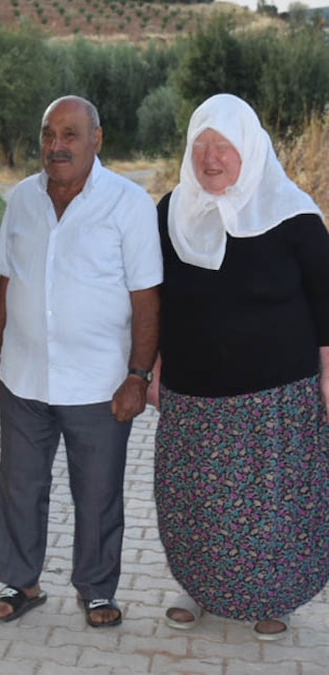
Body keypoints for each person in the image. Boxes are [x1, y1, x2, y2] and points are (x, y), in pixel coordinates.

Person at [0, 96, 161, 627]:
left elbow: (146, 296)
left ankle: (97, 590)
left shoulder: (128, 203)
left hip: (100, 382)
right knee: (19, 484)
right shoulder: (22, 199)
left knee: (98, 491)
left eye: (70, 134)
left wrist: (137, 375)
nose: (57, 145)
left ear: (96, 139)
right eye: (48, 134)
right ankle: (21, 582)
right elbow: (8, 282)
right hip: (25, 375)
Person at [151, 93, 329, 641]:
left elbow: (327, 306)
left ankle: (275, 600)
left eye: (224, 146)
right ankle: (197, 590)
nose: (211, 158)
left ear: (249, 149)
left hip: (275, 401)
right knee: (195, 505)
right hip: (192, 395)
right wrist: (150, 368)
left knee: (275, 509)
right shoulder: (169, 213)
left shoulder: (294, 214)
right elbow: (152, 298)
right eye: (201, 145)